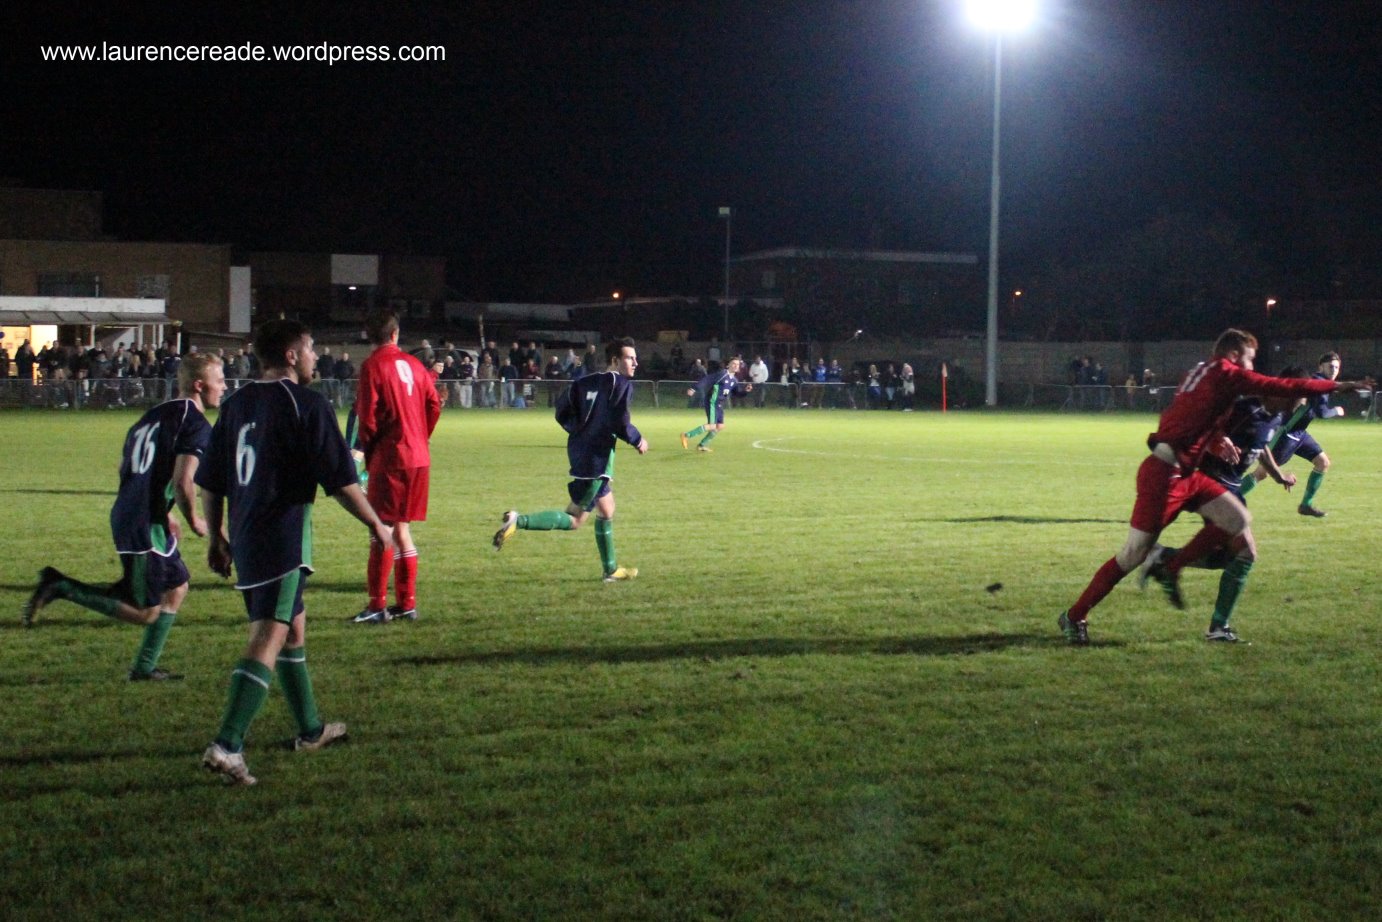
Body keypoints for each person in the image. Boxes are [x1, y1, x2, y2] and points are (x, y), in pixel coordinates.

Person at [1057, 329, 1372, 646]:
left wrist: (1217, 438)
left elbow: (1191, 412)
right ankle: (1075, 615)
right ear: (1233, 355)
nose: (1251, 367)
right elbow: (1280, 386)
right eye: (1249, 359)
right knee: (1132, 555)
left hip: (1188, 473)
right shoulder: (1225, 373)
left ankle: (1172, 567)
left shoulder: (1202, 372)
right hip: (1164, 474)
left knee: (1237, 519)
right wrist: (1340, 385)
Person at [196, 319, 393, 786]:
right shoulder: (306, 404)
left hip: (245, 535)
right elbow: (341, 483)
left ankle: (310, 730)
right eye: (309, 349)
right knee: (268, 635)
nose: (314, 357)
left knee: (293, 630)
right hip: (281, 537)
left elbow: (211, 480)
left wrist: (217, 537)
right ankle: (228, 744)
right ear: (290, 356)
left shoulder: (237, 403)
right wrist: (377, 525)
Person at [20, 354, 228, 681]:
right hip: (142, 523)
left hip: (142, 514)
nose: (225, 387)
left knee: (176, 587)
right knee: (145, 611)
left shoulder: (152, 416)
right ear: (200, 386)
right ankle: (61, 586)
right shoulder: (196, 424)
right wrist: (196, 521)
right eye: (220, 381)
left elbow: (125, 467)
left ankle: (144, 668)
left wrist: (164, 512)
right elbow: (183, 482)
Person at [1138, 395, 1296, 642]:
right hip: (1214, 484)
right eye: (1299, 395)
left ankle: (1164, 557)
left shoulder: (1276, 415)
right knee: (1246, 553)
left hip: (1232, 487)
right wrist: (1219, 441)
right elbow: (1208, 424)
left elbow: (1261, 444)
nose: (1300, 402)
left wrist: (1278, 475)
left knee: (1227, 558)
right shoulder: (1245, 407)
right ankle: (1218, 627)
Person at [492, 337, 648, 581]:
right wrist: (638, 440)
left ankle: (611, 570)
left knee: (607, 509)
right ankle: (517, 521)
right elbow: (620, 421)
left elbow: (561, 411)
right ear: (615, 360)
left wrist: (579, 432)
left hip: (581, 454)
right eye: (630, 358)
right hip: (596, 460)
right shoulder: (621, 384)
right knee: (575, 519)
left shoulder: (584, 382)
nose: (635, 363)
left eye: (635, 358)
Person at [351, 311, 442, 624]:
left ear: (369, 336)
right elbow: (434, 404)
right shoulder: (415, 364)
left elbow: (367, 418)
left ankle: (377, 606)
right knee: (402, 529)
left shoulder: (372, 366)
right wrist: (421, 436)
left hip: (391, 458)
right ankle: (406, 604)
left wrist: (373, 451)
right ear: (395, 334)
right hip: (418, 458)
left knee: (381, 530)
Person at [1239, 354, 1344, 517]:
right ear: (1320, 367)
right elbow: (1322, 413)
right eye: (1330, 366)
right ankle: (1226, 499)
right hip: (1286, 434)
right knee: (1261, 473)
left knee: (1322, 462)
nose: (1334, 370)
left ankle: (1306, 505)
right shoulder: (1318, 382)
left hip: (1300, 433)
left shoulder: (1322, 383)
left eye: (1337, 367)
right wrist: (1336, 410)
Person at [681, 357, 751, 452]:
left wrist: (746, 391)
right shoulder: (722, 374)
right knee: (712, 426)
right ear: (728, 365)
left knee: (720, 426)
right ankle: (686, 435)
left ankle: (702, 445)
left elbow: (737, 394)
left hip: (719, 405)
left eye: (737, 364)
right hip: (712, 402)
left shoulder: (734, 380)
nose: (736, 366)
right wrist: (694, 388)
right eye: (734, 363)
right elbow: (707, 379)